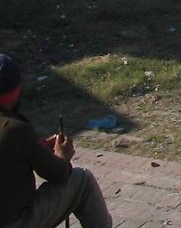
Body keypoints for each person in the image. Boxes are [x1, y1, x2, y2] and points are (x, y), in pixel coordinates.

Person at [0, 54, 113, 228]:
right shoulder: (15, 129)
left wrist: (35, 147)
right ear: (15, 92)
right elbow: (58, 174)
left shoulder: (15, 133)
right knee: (82, 180)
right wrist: (62, 156)